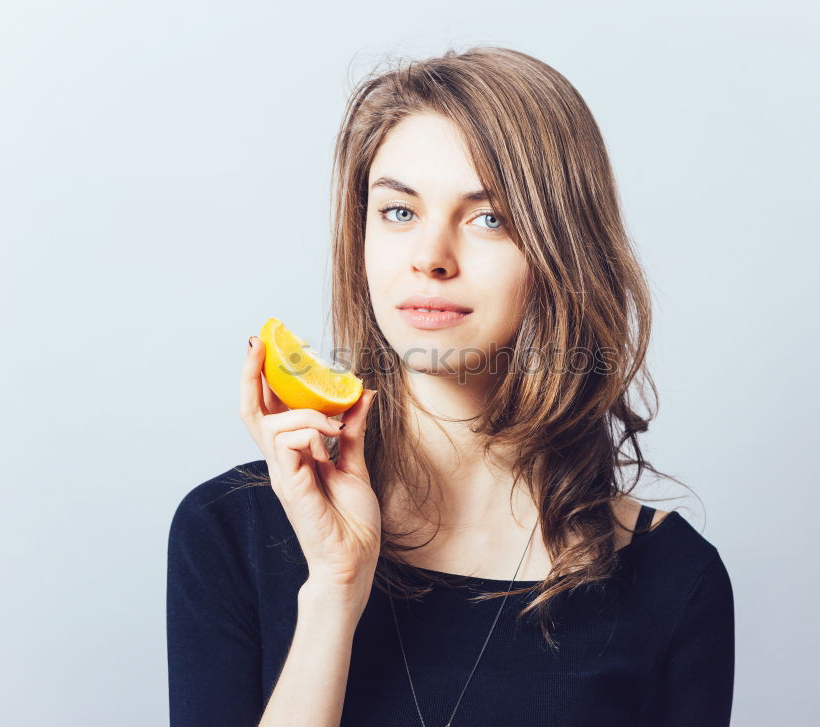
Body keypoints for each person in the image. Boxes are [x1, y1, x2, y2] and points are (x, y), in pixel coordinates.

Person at [167, 46, 734, 727]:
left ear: (563, 254)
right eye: (398, 212)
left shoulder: (674, 580)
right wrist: (335, 592)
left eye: (488, 218)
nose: (429, 257)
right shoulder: (231, 532)